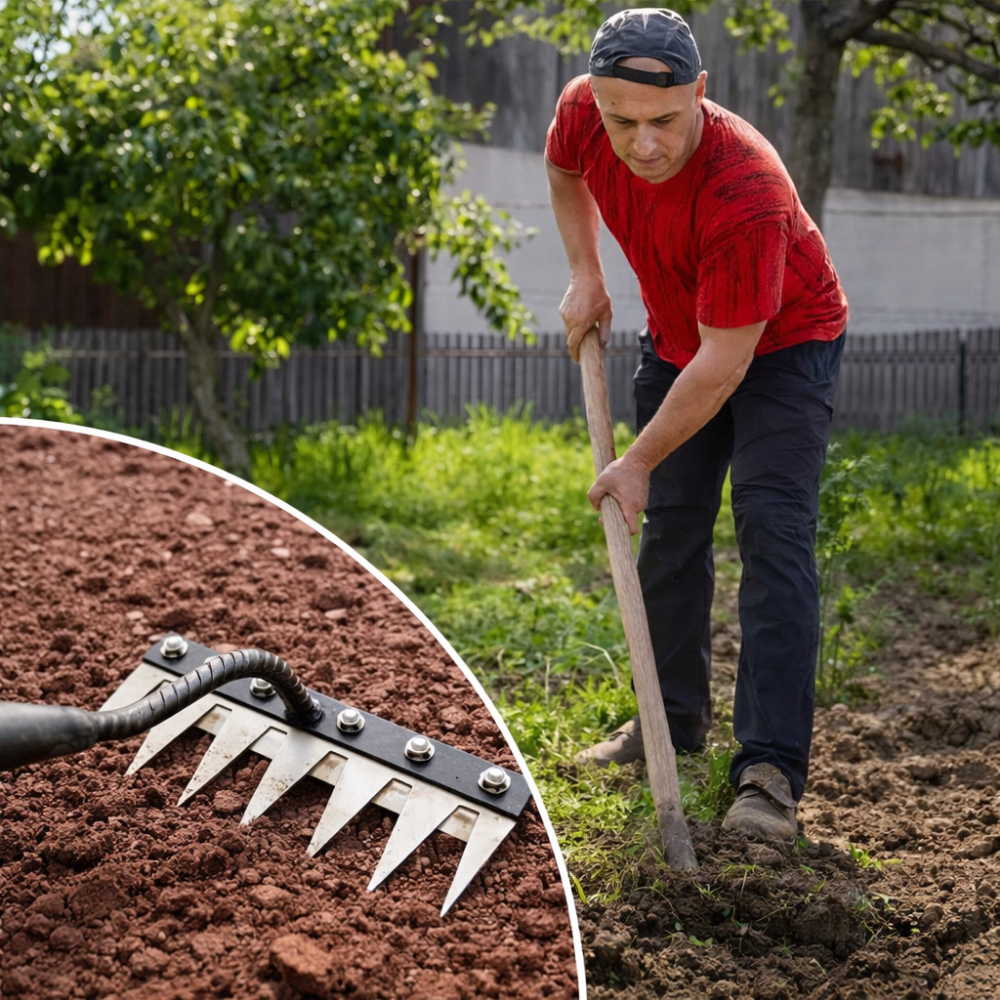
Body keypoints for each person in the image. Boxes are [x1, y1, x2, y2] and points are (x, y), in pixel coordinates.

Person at [545, 8, 849, 842]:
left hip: (782, 344)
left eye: (664, 121)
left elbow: (728, 363)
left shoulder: (745, 186)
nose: (642, 143)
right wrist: (586, 273)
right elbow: (564, 168)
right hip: (685, 337)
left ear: (701, 95)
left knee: (771, 526)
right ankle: (667, 728)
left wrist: (638, 458)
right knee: (672, 528)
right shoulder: (583, 110)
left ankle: (768, 774)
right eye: (622, 122)